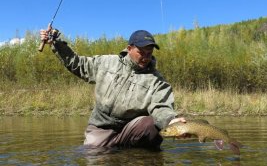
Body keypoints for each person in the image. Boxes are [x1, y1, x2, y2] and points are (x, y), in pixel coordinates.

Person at [40, 27, 186, 149]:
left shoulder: (157, 81)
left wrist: (170, 121)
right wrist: (55, 43)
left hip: (131, 128)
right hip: (101, 127)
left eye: (149, 53)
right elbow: (77, 63)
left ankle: (138, 156)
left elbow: (161, 108)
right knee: (93, 156)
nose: (146, 57)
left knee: (152, 125)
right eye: (141, 52)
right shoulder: (107, 63)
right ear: (129, 48)